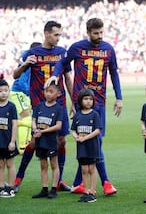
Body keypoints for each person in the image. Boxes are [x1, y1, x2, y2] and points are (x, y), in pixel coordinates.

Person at [46, 17, 122, 196]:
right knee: (93, 141)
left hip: (99, 102)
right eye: (96, 33)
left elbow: (114, 74)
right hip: (82, 104)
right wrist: (56, 75)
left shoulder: (109, 49)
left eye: (101, 32)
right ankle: (106, 182)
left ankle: (78, 182)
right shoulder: (77, 47)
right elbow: (63, 63)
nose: (100, 36)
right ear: (88, 32)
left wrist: (119, 97)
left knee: (95, 140)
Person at [12, 21, 72, 192]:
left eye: (60, 35)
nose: (58, 38)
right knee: (34, 141)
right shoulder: (33, 53)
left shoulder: (62, 53)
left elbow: (67, 78)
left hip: (59, 106)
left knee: (61, 140)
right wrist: (25, 64)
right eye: (56, 35)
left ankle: (57, 181)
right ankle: (18, 178)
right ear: (46, 34)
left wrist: (73, 101)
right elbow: (15, 75)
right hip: (40, 105)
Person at [31, 81, 63, 199]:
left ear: (58, 94)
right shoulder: (39, 106)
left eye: (51, 91)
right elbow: (34, 119)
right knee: (43, 165)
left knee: (54, 165)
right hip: (40, 141)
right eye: (46, 91)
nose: (48, 94)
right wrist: (35, 129)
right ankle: (44, 189)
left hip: (51, 141)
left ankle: (53, 189)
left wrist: (42, 131)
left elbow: (58, 126)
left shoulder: (59, 108)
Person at [10, 42, 41, 154]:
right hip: (19, 92)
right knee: (26, 118)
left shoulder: (31, 63)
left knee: (28, 117)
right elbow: (22, 82)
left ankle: (26, 142)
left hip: (23, 93)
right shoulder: (27, 64)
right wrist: (30, 93)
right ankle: (23, 146)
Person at [71, 89, 101, 203]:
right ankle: (85, 191)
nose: (88, 101)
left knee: (91, 169)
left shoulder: (94, 115)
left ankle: (92, 192)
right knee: (84, 169)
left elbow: (97, 130)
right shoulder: (77, 115)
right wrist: (76, 137)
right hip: (81, 147)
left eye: (90, 99)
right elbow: (73, 130)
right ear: (80, 101)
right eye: (85, 99)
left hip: (92, 146)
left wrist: (85, 138)